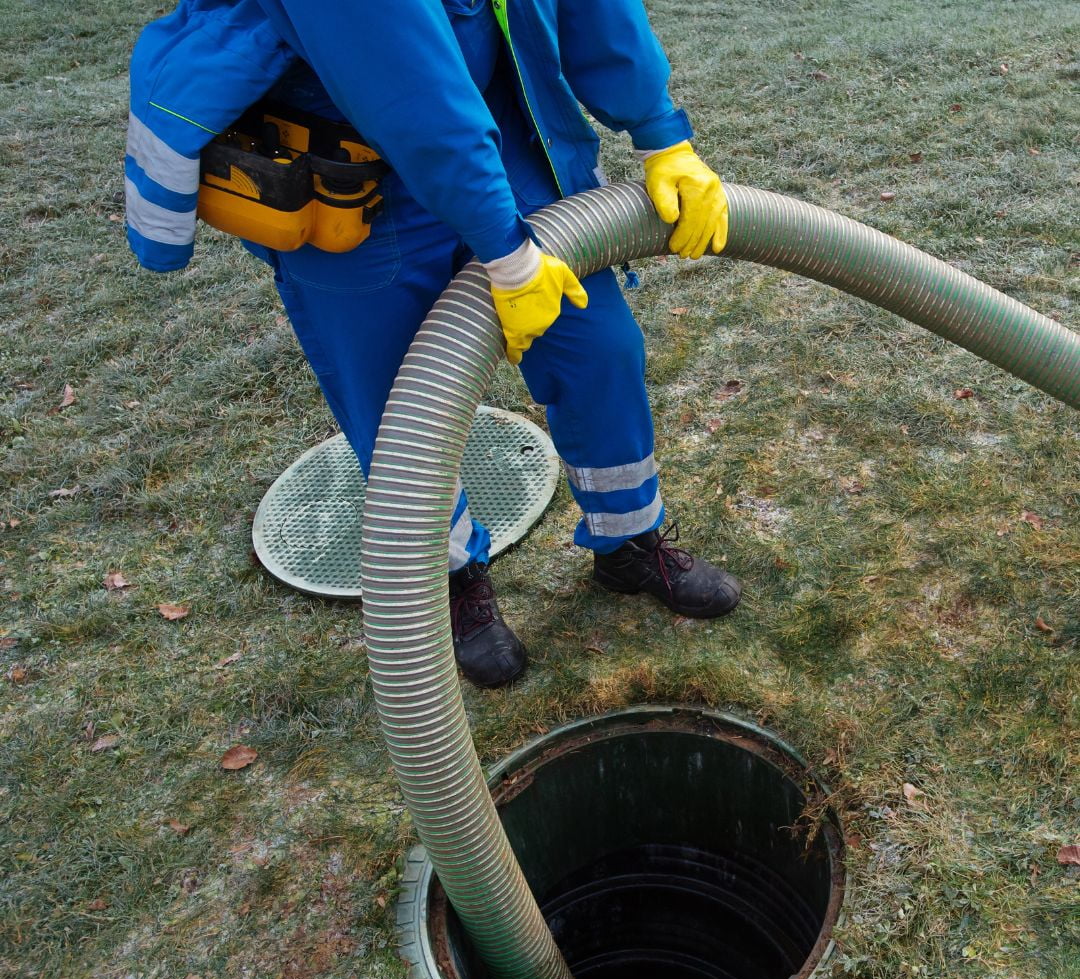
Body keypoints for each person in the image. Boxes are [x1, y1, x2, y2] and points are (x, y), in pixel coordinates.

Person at [125, 0, 742, 690]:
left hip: (499, 131)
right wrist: (505, 254)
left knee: (598, 346)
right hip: (344, 158)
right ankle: (455, 580)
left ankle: (628, 540)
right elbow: (401, 76)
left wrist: (661, 132)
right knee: (398, 407)